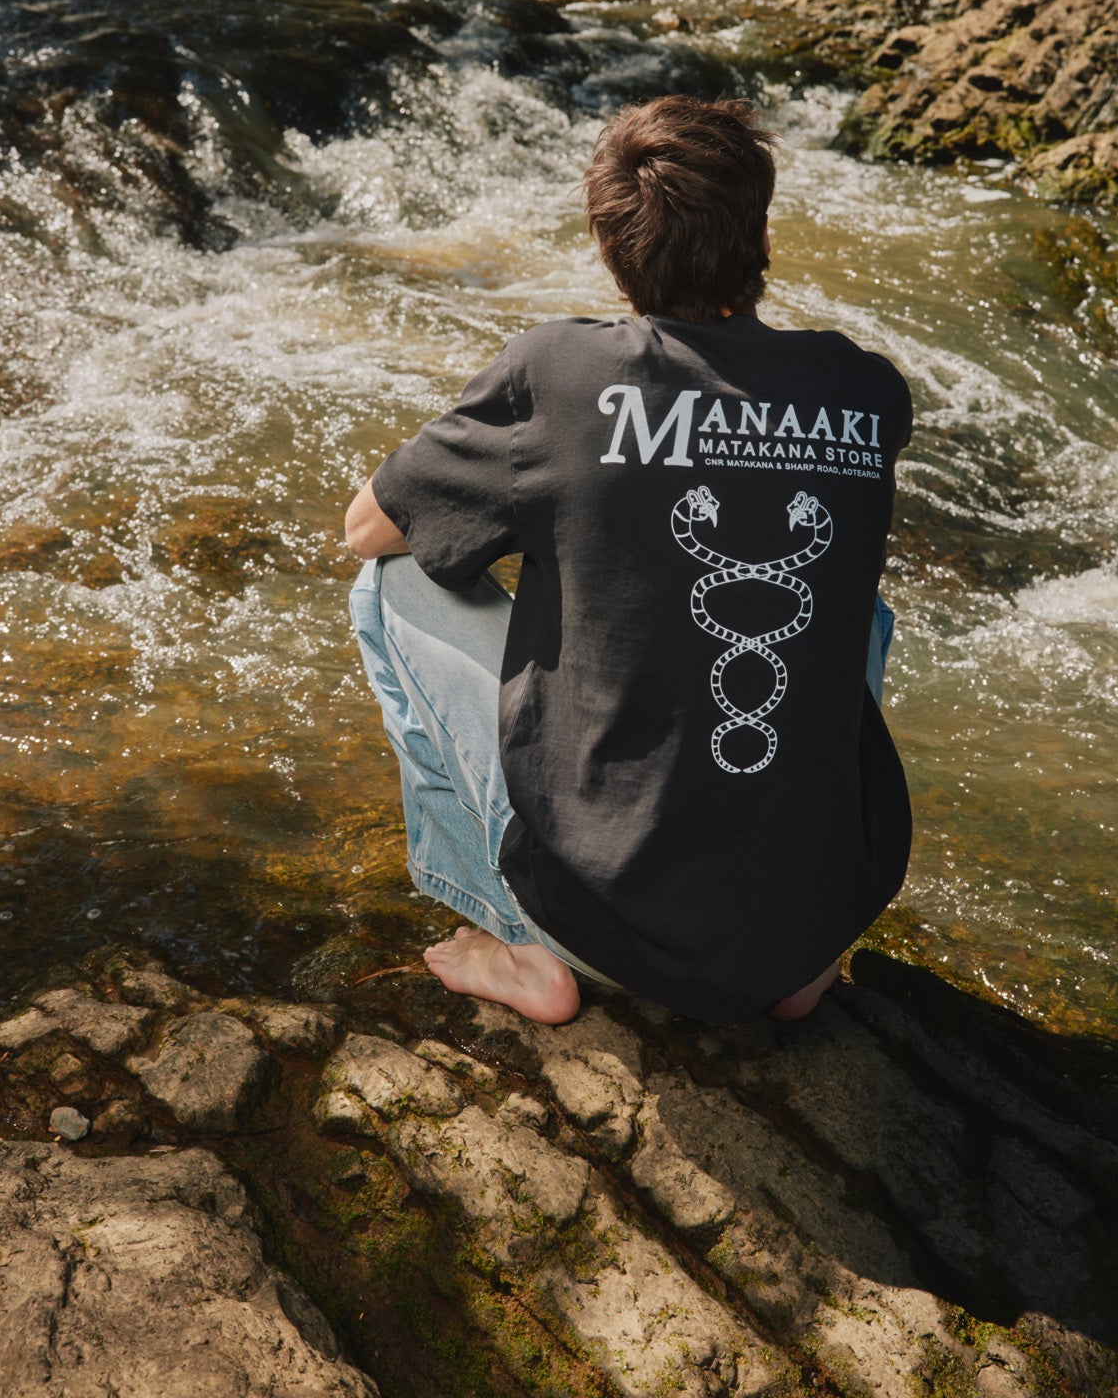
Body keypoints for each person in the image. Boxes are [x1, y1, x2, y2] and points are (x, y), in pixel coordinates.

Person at [345, 95, 912, 1027]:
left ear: (610, 249)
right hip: (807, 933)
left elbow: (370, 528)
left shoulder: (558, 374)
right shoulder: (865, 390)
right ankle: (800, 958)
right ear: (762, 239)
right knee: (858, 603)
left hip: (604, 934)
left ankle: (518, 934)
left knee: (392, 585)